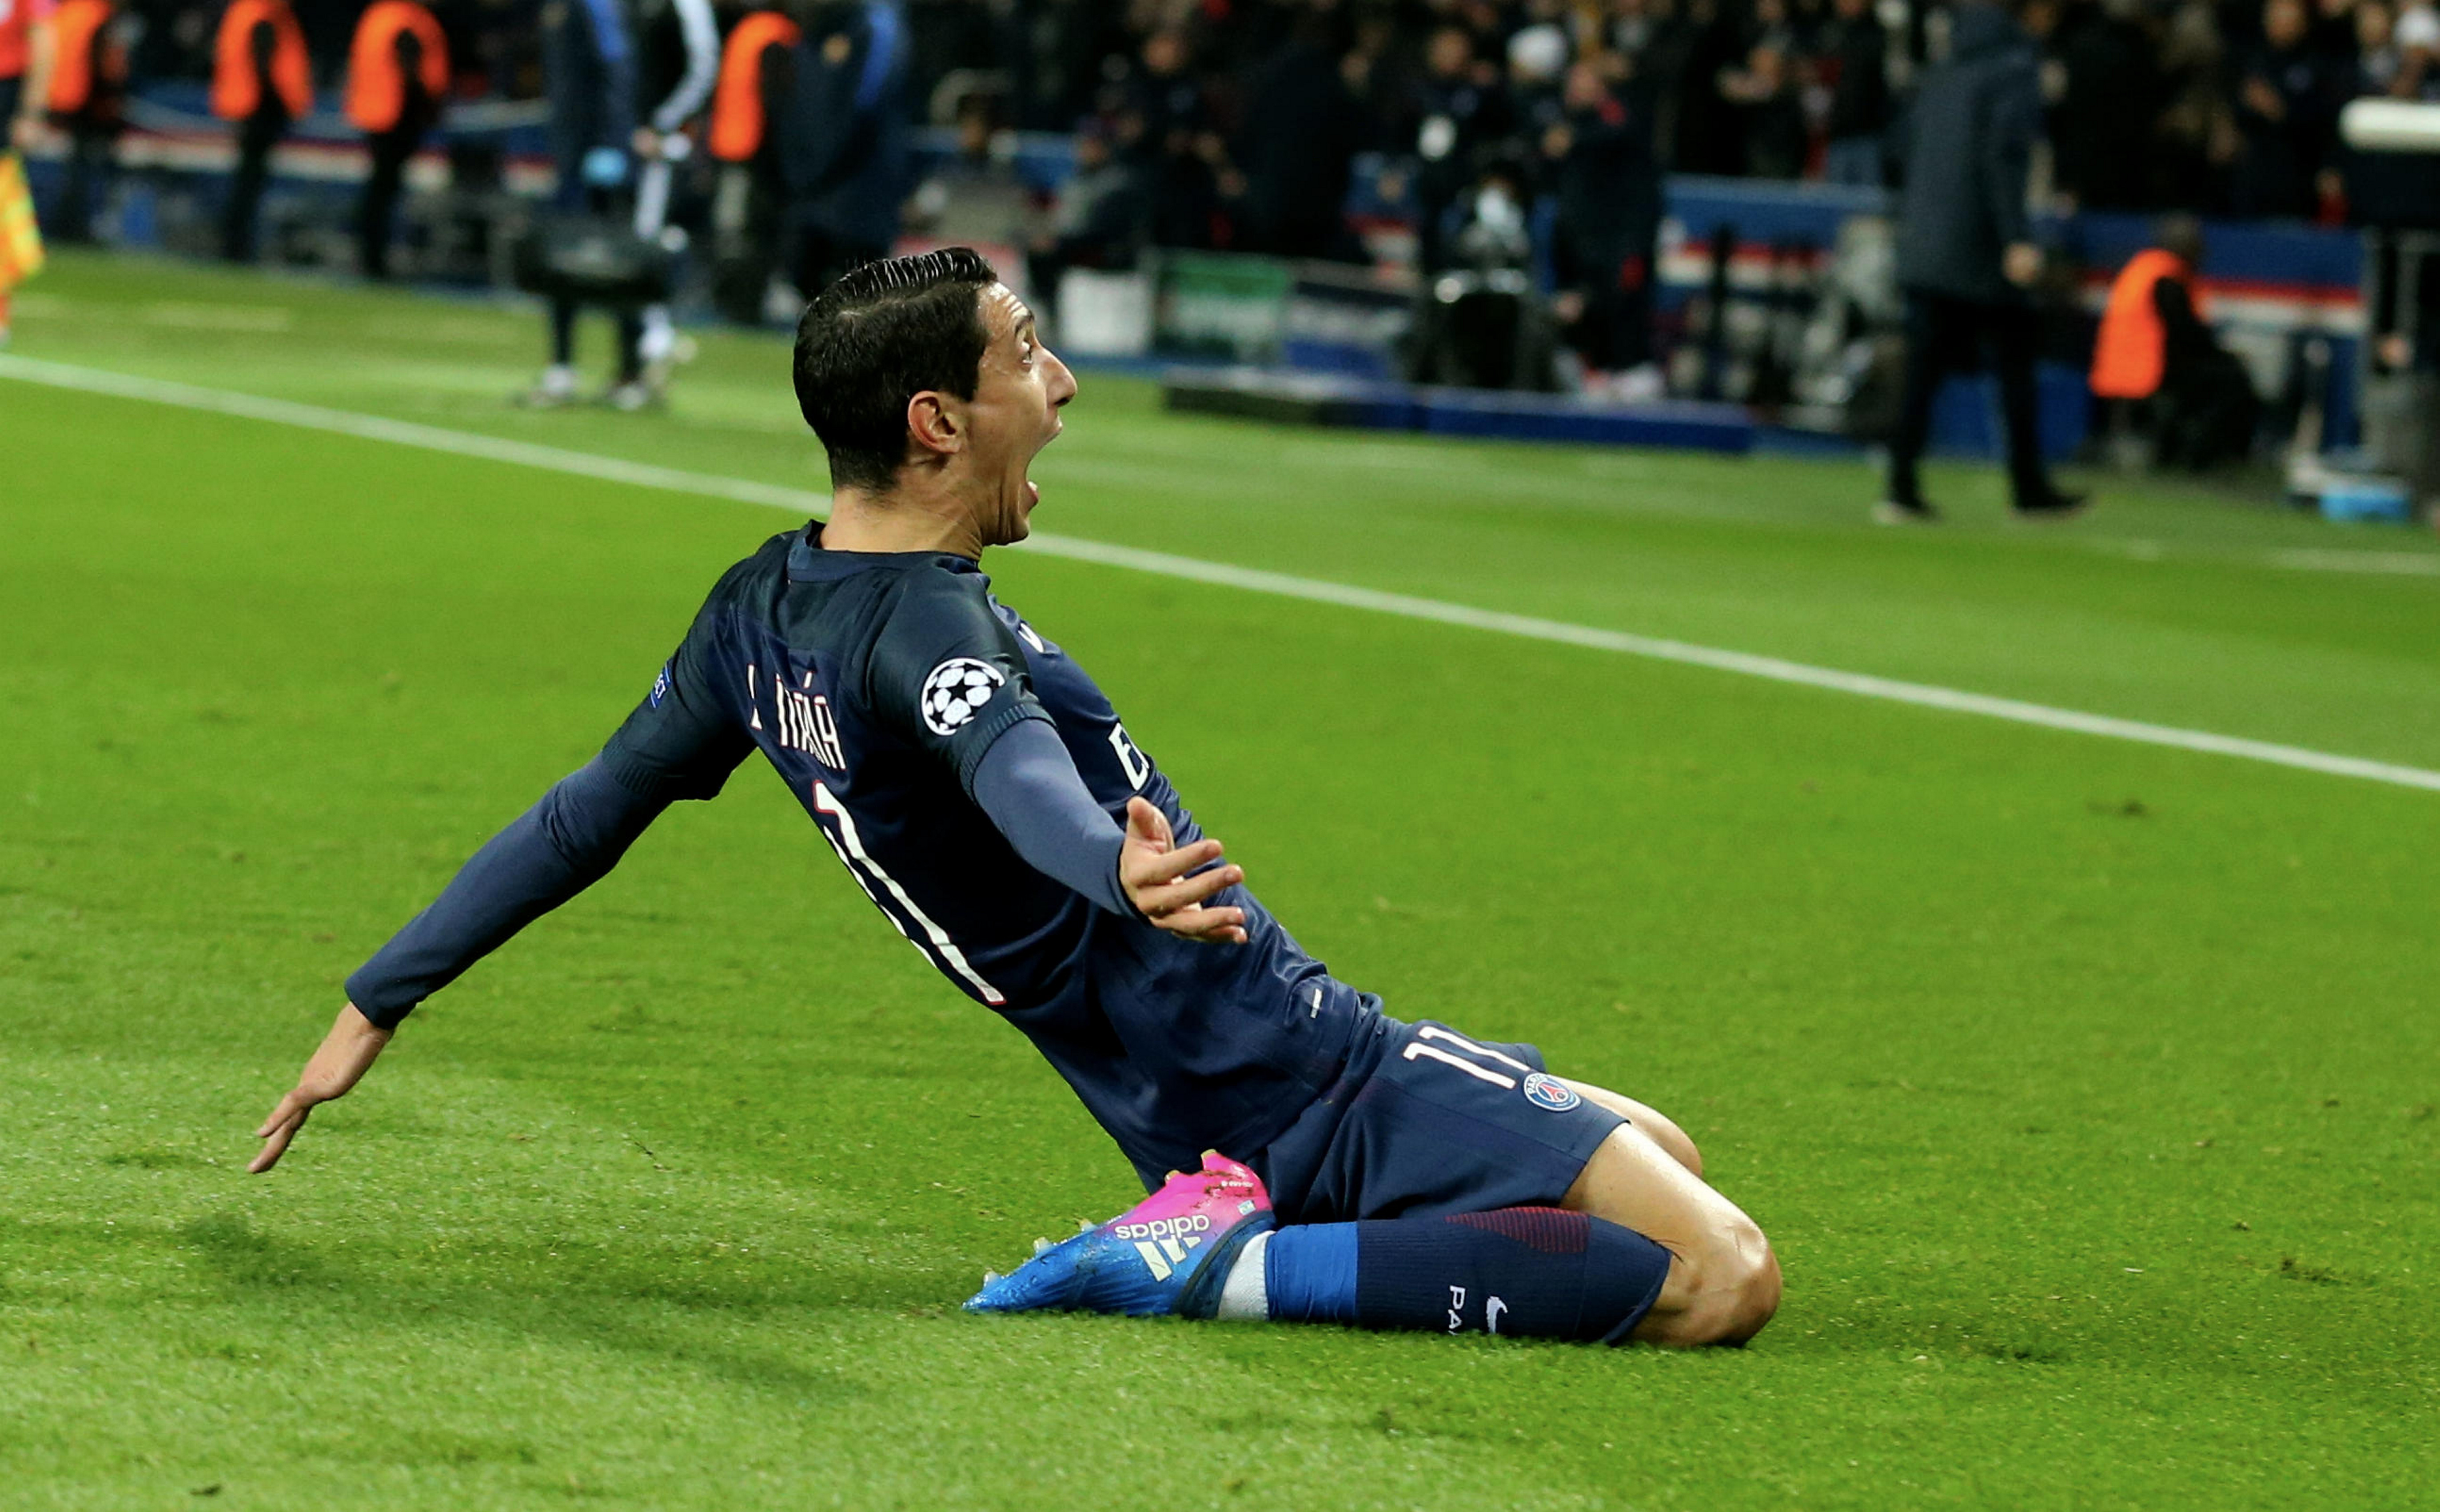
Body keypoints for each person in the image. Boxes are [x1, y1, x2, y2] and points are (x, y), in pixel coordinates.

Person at [247, 248, 1782, 1352]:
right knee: (1719, 1275)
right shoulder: (931, 630)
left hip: (1174, 1089)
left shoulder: (758, 611)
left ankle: (1225, 1216)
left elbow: (584, 815)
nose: (1059, 383)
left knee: (1665, 1145)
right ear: (935, 421)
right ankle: (1215, 1264)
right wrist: (1114, 875)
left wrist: (379, 995)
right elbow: (1016, 771)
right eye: (1026, 352)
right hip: (1301, 1071)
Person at [1879, 0, 2083, 523]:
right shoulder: (2014, 68)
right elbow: (2004, 154)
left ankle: (1899, 483)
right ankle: (2027, 485)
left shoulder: (1945, 67)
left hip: (1925, 240)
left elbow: (1900, 148)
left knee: (1923, 369)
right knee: (2015, 360)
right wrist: (2015, 238)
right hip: (1977, 246)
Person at [525, 0, 643, 408]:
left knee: (620, 264)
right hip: (571, 156)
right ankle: (562, 368)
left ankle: (631, 373)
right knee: (561, 262)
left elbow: (617, 68)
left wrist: (611, 143)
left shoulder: (596, 5)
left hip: (593, 158)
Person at [2089, 216, 2260, 468]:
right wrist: (2223, 355)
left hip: (2118, 369)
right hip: (2147, 371)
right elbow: (2185, 334)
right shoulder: (2167, 278)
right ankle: (2200, 456)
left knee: (2218, 376)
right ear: (2184, 246)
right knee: (2232, 381)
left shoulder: (2143, 268)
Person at [771, 0, 907, 301]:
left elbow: (865, 103)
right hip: (815, 184)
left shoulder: (877, 23)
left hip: (858, 188)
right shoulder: (822, 24)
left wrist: (816, 166)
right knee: (807, 283)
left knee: (856, 296)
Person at [345, 0, 448, 280]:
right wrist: (429, 107)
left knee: (378, 190)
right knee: (382, 191)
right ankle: (372, 258)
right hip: (397, 116)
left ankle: (369, 254)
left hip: (376, 114)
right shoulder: (407, 20)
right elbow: (410, 71)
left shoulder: (378, 15)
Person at [209, 0, 311, 264]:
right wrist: (281, 104)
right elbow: (264, 67)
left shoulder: (247, 11)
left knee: (246, 178)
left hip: (246, 106)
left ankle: (234, 242)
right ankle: (236, 244)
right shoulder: (264, 16)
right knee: (249, 181)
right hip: (258, 109)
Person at [40, 0, 120, 245]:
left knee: (72, 167)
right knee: (84, 169)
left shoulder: (66, 12)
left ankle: (62, 224)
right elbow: (101, 65)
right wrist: (110, 101)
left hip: (60, 98)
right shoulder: (98, 16)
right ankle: (76, 226)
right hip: (88, 103)